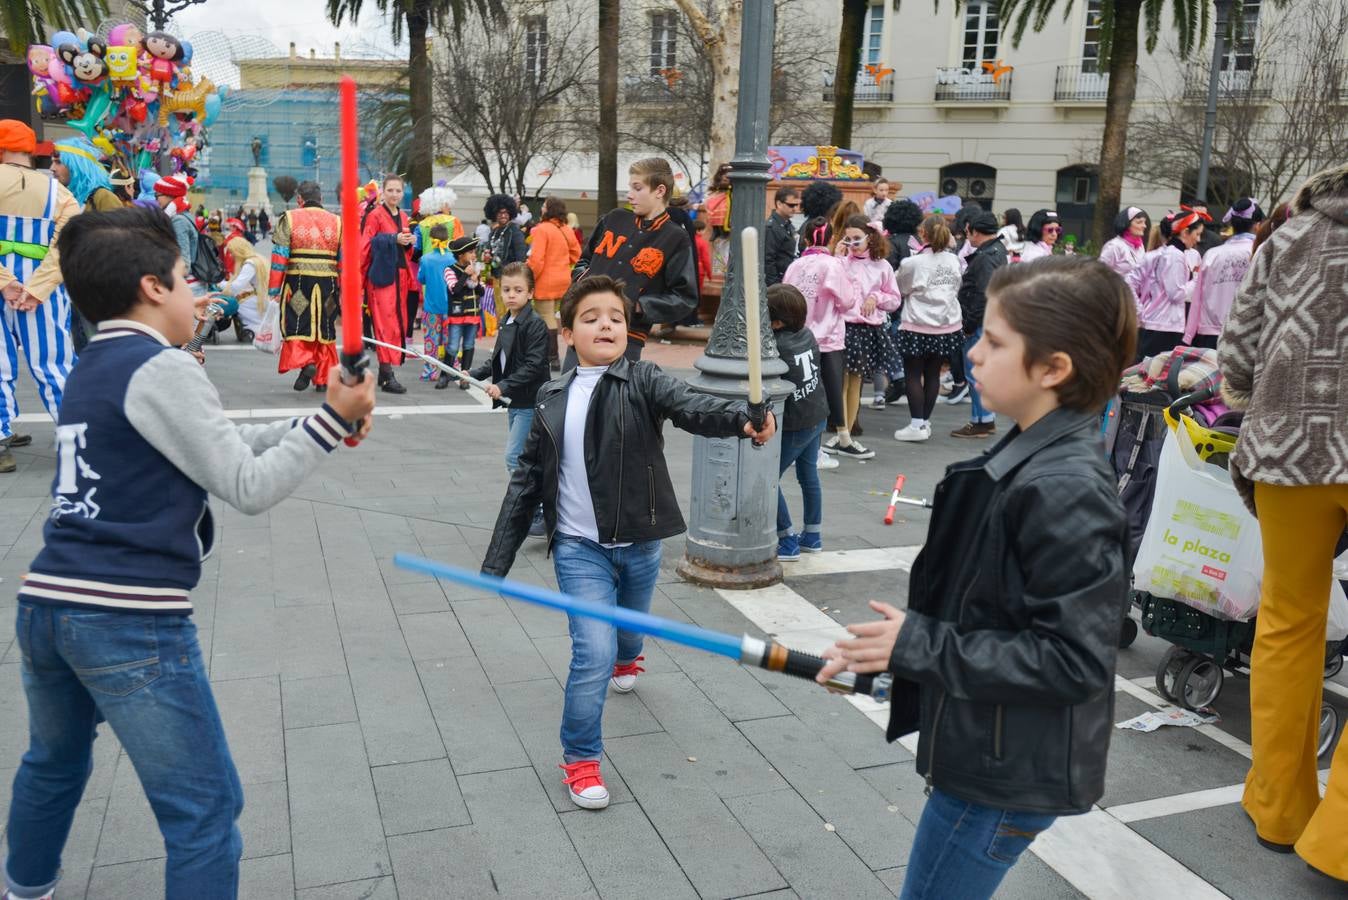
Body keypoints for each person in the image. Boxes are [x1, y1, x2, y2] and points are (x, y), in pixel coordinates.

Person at [4, 205, 376, 900]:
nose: (194, 292)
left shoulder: (94, 363)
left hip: (49, 604)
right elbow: (246, 483)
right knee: (204, 809)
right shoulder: (163, 368)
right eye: (183, 278)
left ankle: (26, 888)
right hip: (127, 619)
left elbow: (215, 443)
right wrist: (331, 423)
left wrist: (320, 417)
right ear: (152, 288)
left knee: (51, 765)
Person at [817, 256, 1135, 900]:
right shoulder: (1029, 453)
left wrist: (917, 647)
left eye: (993, 342)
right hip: (989, 751)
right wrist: (896, 657)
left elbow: (1071, 659)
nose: (972, 354)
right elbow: (992, 611)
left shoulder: (1066, 486)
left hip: (1003, 777)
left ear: (1053, 369)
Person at [481, 274, 776, 810]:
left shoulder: (645, 380)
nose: (606, 325)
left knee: (628, 633)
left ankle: (629, 657)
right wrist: (495, 565)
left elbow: (693, 405)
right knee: (590, 653)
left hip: (641, 544)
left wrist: (741, 418)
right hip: (578, 550)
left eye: (615, 317)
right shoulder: (549, 399)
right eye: (591, 318)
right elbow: (524, 484)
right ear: (567, 334)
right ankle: (581, 760)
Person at [1219, 163, 1348, 882]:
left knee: (1290, 623)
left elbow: (1237, 354)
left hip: (1289, 453)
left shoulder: (1290, 235)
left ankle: (1278, 806)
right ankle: (1341, 841)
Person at [0, 120, 79, 475]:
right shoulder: (59, 193)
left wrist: (5, 281)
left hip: (4, 286)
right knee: (54, 364)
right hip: (42, 294)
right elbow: (69, 244)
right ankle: (77, 441)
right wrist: (36, 288)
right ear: (31, 152)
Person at [569, 157, 697, 364]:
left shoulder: (675, 238)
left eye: (637, 188)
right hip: (584, 328)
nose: (630, 195)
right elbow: (584, 261)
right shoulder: (614, 219)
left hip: (627, 338)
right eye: (630, 187)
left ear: (660, 191)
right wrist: (582, 282)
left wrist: (638, 306)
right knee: (570, 393)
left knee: (613, 396)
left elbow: (684, 298)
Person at [784, 218, 856, 470]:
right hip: (828, 339)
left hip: (798, 338)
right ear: (830, 239)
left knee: (801, 392)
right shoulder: (833, 265)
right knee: (828, 393)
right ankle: (823, 446)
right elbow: (847, 301)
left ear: (805, 239)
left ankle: (797, 446)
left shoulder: (795, 265)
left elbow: (785, 296)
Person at [468, 261, 549, 475]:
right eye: (506, 290)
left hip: (530, 401)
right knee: (523, 455)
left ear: (530, 293)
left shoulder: (535, 324)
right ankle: (530, 504)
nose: (511, 294)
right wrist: (473, 374)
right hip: (515, 400)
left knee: (514, 458)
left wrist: (502, 386)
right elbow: (498, 358)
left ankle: (525, 505)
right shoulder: (507, 320)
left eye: (518, 290)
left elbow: (534, 366)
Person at [769, 283, 828, 560]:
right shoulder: (806, 334)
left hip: (794, 423)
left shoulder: (776, 346)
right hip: (816, 414)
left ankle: (787, 539)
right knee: (809, 476)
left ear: (777, 322)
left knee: (769, 479)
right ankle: (812, 535)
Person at [834, 215, 902, 456]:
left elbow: (894, 300)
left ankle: (847, 434)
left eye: (856, 239)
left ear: (870, 237)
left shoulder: (882, 266)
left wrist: (877, 298)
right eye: (848, 238)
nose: (852, 243)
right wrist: (837, 258)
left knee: (854, 383)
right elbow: (830, 286)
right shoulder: (842, 262)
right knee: (839, 383)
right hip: (842, 326)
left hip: (865, 330)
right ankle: (843, 434)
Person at [893, 214, 964, 443]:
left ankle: (916, 424)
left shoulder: (912, 263)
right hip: (946, 324)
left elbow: (900, 288)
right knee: (932, 373)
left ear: (922, 234)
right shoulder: (954, 260)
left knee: (913, 374)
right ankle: (924, 421)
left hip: (917, 322)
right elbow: (957, 286)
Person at [269, 180, 342, 393]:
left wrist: (274, 290)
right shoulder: (337, 222)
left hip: (299, 284)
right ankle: (323, 378)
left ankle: (307, 363)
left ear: (300, 199)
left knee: (297, 325)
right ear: (321, 199)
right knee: (325, 329)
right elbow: (344, 261)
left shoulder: (289, 218)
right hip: (328, 286)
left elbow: (279, 258)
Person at [950, 210, 1008, 438]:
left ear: (974, 231)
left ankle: (981, 421)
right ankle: (984, 419)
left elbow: (983, 295)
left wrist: (969, 324)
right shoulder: (997, 250)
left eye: (968, 232)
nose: (967, 237)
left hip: (980, 322)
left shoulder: (985, 257)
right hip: (990, 320)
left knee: (975, 373)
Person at [361, 175, 415, 394]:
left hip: (400, 275)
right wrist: (393, 239)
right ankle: (388, 372)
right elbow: (366, 244)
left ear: (403, 193)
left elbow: (406, 248)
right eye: (390, 190)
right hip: (383, 277)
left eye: (398, 191)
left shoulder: (403, 216)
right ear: (383, 192)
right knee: (385, 324)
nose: (394, 194)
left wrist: (409, 242)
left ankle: (385, 373)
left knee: (397, 324)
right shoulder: (375, 215)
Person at [1126, 208, 1204, 361]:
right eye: (1197, 234)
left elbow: (1130, 282)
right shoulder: (1175, 255)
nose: (1198, 240)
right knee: (1153, 377)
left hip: (1158, 324)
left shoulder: (1165, 253)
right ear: (1185, 232)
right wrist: (1197, 280)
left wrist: (1140, 311)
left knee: (1148, 375)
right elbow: (1176, 295)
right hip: (1165, 326)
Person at [1184, 198, 1263, 349]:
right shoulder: (1258, 252)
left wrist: (1189, 335)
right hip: (1245, 332)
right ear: (1257, 226)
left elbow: (1197, 298)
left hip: (1208, 333)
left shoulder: (1212, 254)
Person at [527, 196, 582, 371]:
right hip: (564, 279)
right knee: (562, 318)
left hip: (545, 281)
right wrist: (563, 262)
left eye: (544, 206)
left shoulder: (542, 229)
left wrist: (528, 276)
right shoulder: (566, 228)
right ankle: (571, 355)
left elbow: (537, 260)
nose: (542, 209)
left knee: (547, 318)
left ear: (549, 209)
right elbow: (576, 253)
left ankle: (553, 358)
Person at [441, 235, 485, 389]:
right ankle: (444, 375)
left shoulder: (475, 270)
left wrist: (476, 279)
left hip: (472, 315)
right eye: (471, 252)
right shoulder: (449, 270)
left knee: (468, 345)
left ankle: (465, 377)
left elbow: (482, 292)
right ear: (461, 255)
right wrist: (466, 274)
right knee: (452, 346)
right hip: (457, 315)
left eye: (474, 252)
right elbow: (455, 290)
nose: (474, 255)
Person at [415, 223, 457, 385]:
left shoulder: (425, 259)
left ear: (432, 239)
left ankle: (430, 371)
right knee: (450, 340)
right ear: (447, 239)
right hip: (450, 307)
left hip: (431, 307)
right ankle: (452, 368)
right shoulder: (453, 258)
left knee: (431, 340)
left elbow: (421, 279)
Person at [214, 220, 268, 344]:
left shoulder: (250, 264)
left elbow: (235, 287)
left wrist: (218, 283)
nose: (232, 256)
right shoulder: (258, 259)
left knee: (237, 305)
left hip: (259, 300)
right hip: (263, 297)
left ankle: (250, 329)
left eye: (232, 253)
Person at [51, 137, 121, 212]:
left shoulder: (103, 197)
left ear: (77, 165)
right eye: (52, 162)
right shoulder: (62, 196)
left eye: (58, 162)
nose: (52, 168)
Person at [1098, 206, 1150, 282]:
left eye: (1144, 222)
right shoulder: (1114, 246)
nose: (1144, 226)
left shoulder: (1140, 246)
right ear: (1126, 224)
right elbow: (1099, 272)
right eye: (1139, 222)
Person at [482, 194, 527, 279]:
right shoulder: (493, 233)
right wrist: (487, 258)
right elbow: (489, 256)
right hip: (494, 278)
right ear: (494, 214)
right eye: (500, 213)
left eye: (506, 212)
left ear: (510, 213)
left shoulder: (515, 232)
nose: (503, 215)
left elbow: (521, 260)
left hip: (510, 278)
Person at [763, 186, 800, 286]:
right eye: (791, 205)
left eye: (797, 205)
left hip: (787, 279)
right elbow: (768, 260)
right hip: (778, 283)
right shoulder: (771, 227)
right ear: (779, 204)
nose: (795, 209)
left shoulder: (788, 225)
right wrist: (775, 286)